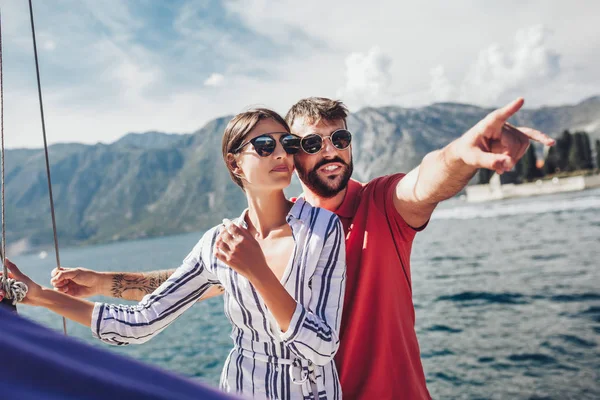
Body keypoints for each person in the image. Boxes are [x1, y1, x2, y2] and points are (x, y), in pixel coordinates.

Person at [49, 97, 555, 399]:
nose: (330, 150)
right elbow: (203, 280)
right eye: (311, 143)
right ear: (294, 155)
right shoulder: (274, 231)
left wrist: (462, 155)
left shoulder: (381, 205)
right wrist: (103, 281)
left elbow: (427, 180)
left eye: (341, 138)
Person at [3, 108, 348, 400]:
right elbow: (139, 324)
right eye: (263, 145)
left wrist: (257, 271)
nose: (281, 154)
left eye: (287, 144)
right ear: (235, 163)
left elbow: (322, 347)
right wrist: (39, 295)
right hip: (245, 388)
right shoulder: (219, 243)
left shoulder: (322, 230)